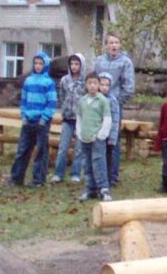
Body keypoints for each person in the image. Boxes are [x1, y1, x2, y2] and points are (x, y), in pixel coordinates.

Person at [10, 51, 57, 188]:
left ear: (45, 65)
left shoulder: (49, 83)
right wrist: (23, 116)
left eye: (41, 63)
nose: (38, 66)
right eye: (36, 63)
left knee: (41, 152)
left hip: (41, 122)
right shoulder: (28, 81)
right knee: (22, 150)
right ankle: (16, 178)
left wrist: (44, 118)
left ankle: (38, 180)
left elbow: (52, 103)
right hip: (28, 121)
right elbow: (23, 100)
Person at [94, 33, 135, 186]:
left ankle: (112, 176)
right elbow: (94, 81)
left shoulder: (125, 63)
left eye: (116, 42)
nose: (114, 46)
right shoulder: (99, 61)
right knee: (98, 138)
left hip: (114, 106)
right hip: (98, 105)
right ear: (106, 45)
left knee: (113, 141)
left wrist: (115, 102)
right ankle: (99, 173)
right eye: (111, 42)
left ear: (120, 45)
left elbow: (129, 87)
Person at [76, 72, 112, 202]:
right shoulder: (82, 101)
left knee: (98, 162)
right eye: (89, 83)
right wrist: (79, 132)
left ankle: (103, 189)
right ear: (86, 85)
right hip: (84, 137)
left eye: (95, 83)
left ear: (98, 85)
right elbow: (79, 117)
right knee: (87, 163)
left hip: (97, 138)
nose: (92, 86)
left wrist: (101, 135)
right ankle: (90, 189)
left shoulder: (102, 100)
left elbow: (107, 118)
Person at [51, 54, 86, 184]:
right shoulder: (65, 80)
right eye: (72, 64)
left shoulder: (85, 82)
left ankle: (75, 174)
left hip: (80, 119)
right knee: (63, 147)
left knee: (79, 149)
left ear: (81, 65)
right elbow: (61, 96)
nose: (74, 67)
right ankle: (58, 174)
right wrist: (64, 110)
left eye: (77, 64)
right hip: (67, 119)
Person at [99, 73, 122, 188]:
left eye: (106, 85)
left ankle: (108, 179)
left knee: (108, 158)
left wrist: (112, 138)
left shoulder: (112, 101)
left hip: (108, 135)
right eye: (101, 84)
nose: (104, 87)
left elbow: (115, 121)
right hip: (96, 135)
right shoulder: (94, 98)